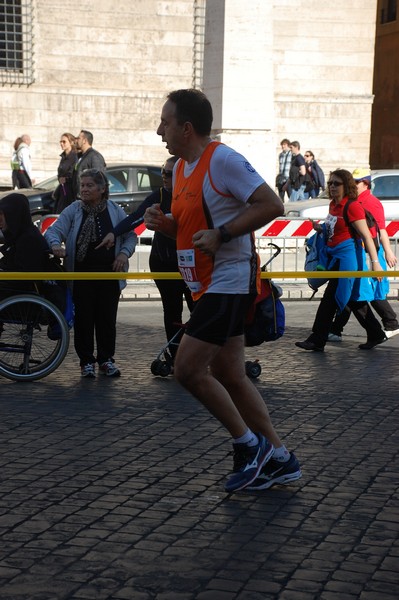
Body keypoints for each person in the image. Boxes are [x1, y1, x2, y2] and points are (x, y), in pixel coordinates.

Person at [144, 88, 302, 493]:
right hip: (202, 283)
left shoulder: (224, 160)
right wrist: (168, 226)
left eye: (165, 121)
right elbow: (193, 228)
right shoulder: (180, 168)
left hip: (229, 280)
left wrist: (224, 233)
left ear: (187, 128)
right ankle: (281, 458)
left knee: (187, 369)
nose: (159, 128)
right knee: (229, 372)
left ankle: (249, 447)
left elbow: (271, 205)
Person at [97, 156, 194, 363]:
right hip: (164, 262)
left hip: (192, 263)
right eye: (163, 171)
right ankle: (177, 357)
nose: (164, 177)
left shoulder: (192, 195)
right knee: (172, 311)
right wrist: (114, 233)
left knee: (200, 311)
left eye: (169, 173)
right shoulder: (158, 195)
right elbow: (135, 218)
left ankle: (199, 354)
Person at [45, 169, 137, 378]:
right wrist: (55, 244)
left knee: (106, 320)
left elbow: (131, 235)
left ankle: (106, 360)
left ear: (102, 189)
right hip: (81, 276)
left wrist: (123, 254)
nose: (84, 190)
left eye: (89, 186)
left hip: (109, 275)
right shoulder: (74, 210)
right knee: (84, 319)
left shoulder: (115, 210)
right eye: (83, 185)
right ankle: (86, 361)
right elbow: (54, 230)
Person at [295, 169, 387, 353]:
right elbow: (334, 229)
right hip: (334, 257)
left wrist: (375, 263)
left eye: (336, 184)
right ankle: (376, 333)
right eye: (330, 183)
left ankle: (317, 339)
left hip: (349, 259)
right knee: (354, 299)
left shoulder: (352, 206)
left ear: (347, 186)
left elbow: (367, 237)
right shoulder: (333, 205)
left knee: (330, 299)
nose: (332, 187)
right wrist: (320, 229)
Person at [328, 168, 399, 341]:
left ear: (365, 184)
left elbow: (380, 229)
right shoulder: (351, 201)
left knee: (368, 292)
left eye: (357, 181)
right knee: (356, 292)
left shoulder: (371, 203)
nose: (353, 184)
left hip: (369, 252)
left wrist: (385, 253)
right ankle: (336, 329)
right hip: (359, 251)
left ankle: (391, 323)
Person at [0, 193, 50, 300]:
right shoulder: (20, 235)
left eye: (2, 215)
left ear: (13, 215)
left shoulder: (28, 239)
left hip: (20, 295)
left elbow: (24, 278)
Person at [71, 130, 106, 198]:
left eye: (78, 138)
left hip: (90, 200)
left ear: (84, 141)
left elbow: (99, 179)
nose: (76, 140)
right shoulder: (80, 156)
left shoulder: (94, 156)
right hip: (80, 198)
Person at [53, 133, 78, 213]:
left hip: (70, 191)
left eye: (64, 142)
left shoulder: (75, 156)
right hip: (62, 190)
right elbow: (60, 173)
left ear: (71, 142)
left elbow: (74, 173)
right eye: (60, 142)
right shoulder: (63, 157)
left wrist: (66, 179)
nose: (61, 144)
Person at [275, 138, 291, 202]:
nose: (282, 146)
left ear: (288, 145)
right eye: (282, 145)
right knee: (281, 198)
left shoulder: (291, 154)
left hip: (289, 179)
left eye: (284, 144)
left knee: (291, 196)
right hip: (281, 179)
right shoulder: (281, 155)